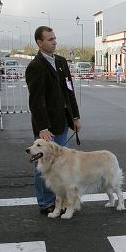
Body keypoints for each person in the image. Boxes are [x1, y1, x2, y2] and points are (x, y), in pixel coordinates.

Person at [25, 26, 81, 214]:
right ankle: (45, 203)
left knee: (61, 163)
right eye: (50, 39)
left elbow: (69, 90)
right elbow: (36, 100)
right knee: (42, 165)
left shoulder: (61, 61)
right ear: (39, 43)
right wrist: (42, 127)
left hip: (62, 122)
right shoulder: (35, 66)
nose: (54, 42)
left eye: (55, 38)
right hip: (46, 127)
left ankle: (62, 201)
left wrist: (75, 116)